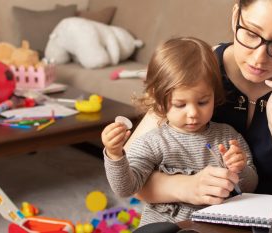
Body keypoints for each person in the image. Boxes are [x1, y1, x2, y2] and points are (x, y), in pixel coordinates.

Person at [130, 0, 272, 205]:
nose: (258, 58)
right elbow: (128, 175)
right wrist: (186, 187)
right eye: (251, 34)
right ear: (236, 16)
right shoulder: (201, 65)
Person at [101, 37, 258, 225]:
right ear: (159, 102)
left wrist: (240, 170)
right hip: (164, 228)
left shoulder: (227, 136)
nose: (192, 113)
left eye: (202, 102)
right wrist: (115, 154)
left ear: (214, 95)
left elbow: (250, 187)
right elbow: (125, 188)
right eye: (180, 104)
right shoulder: (152, 142)